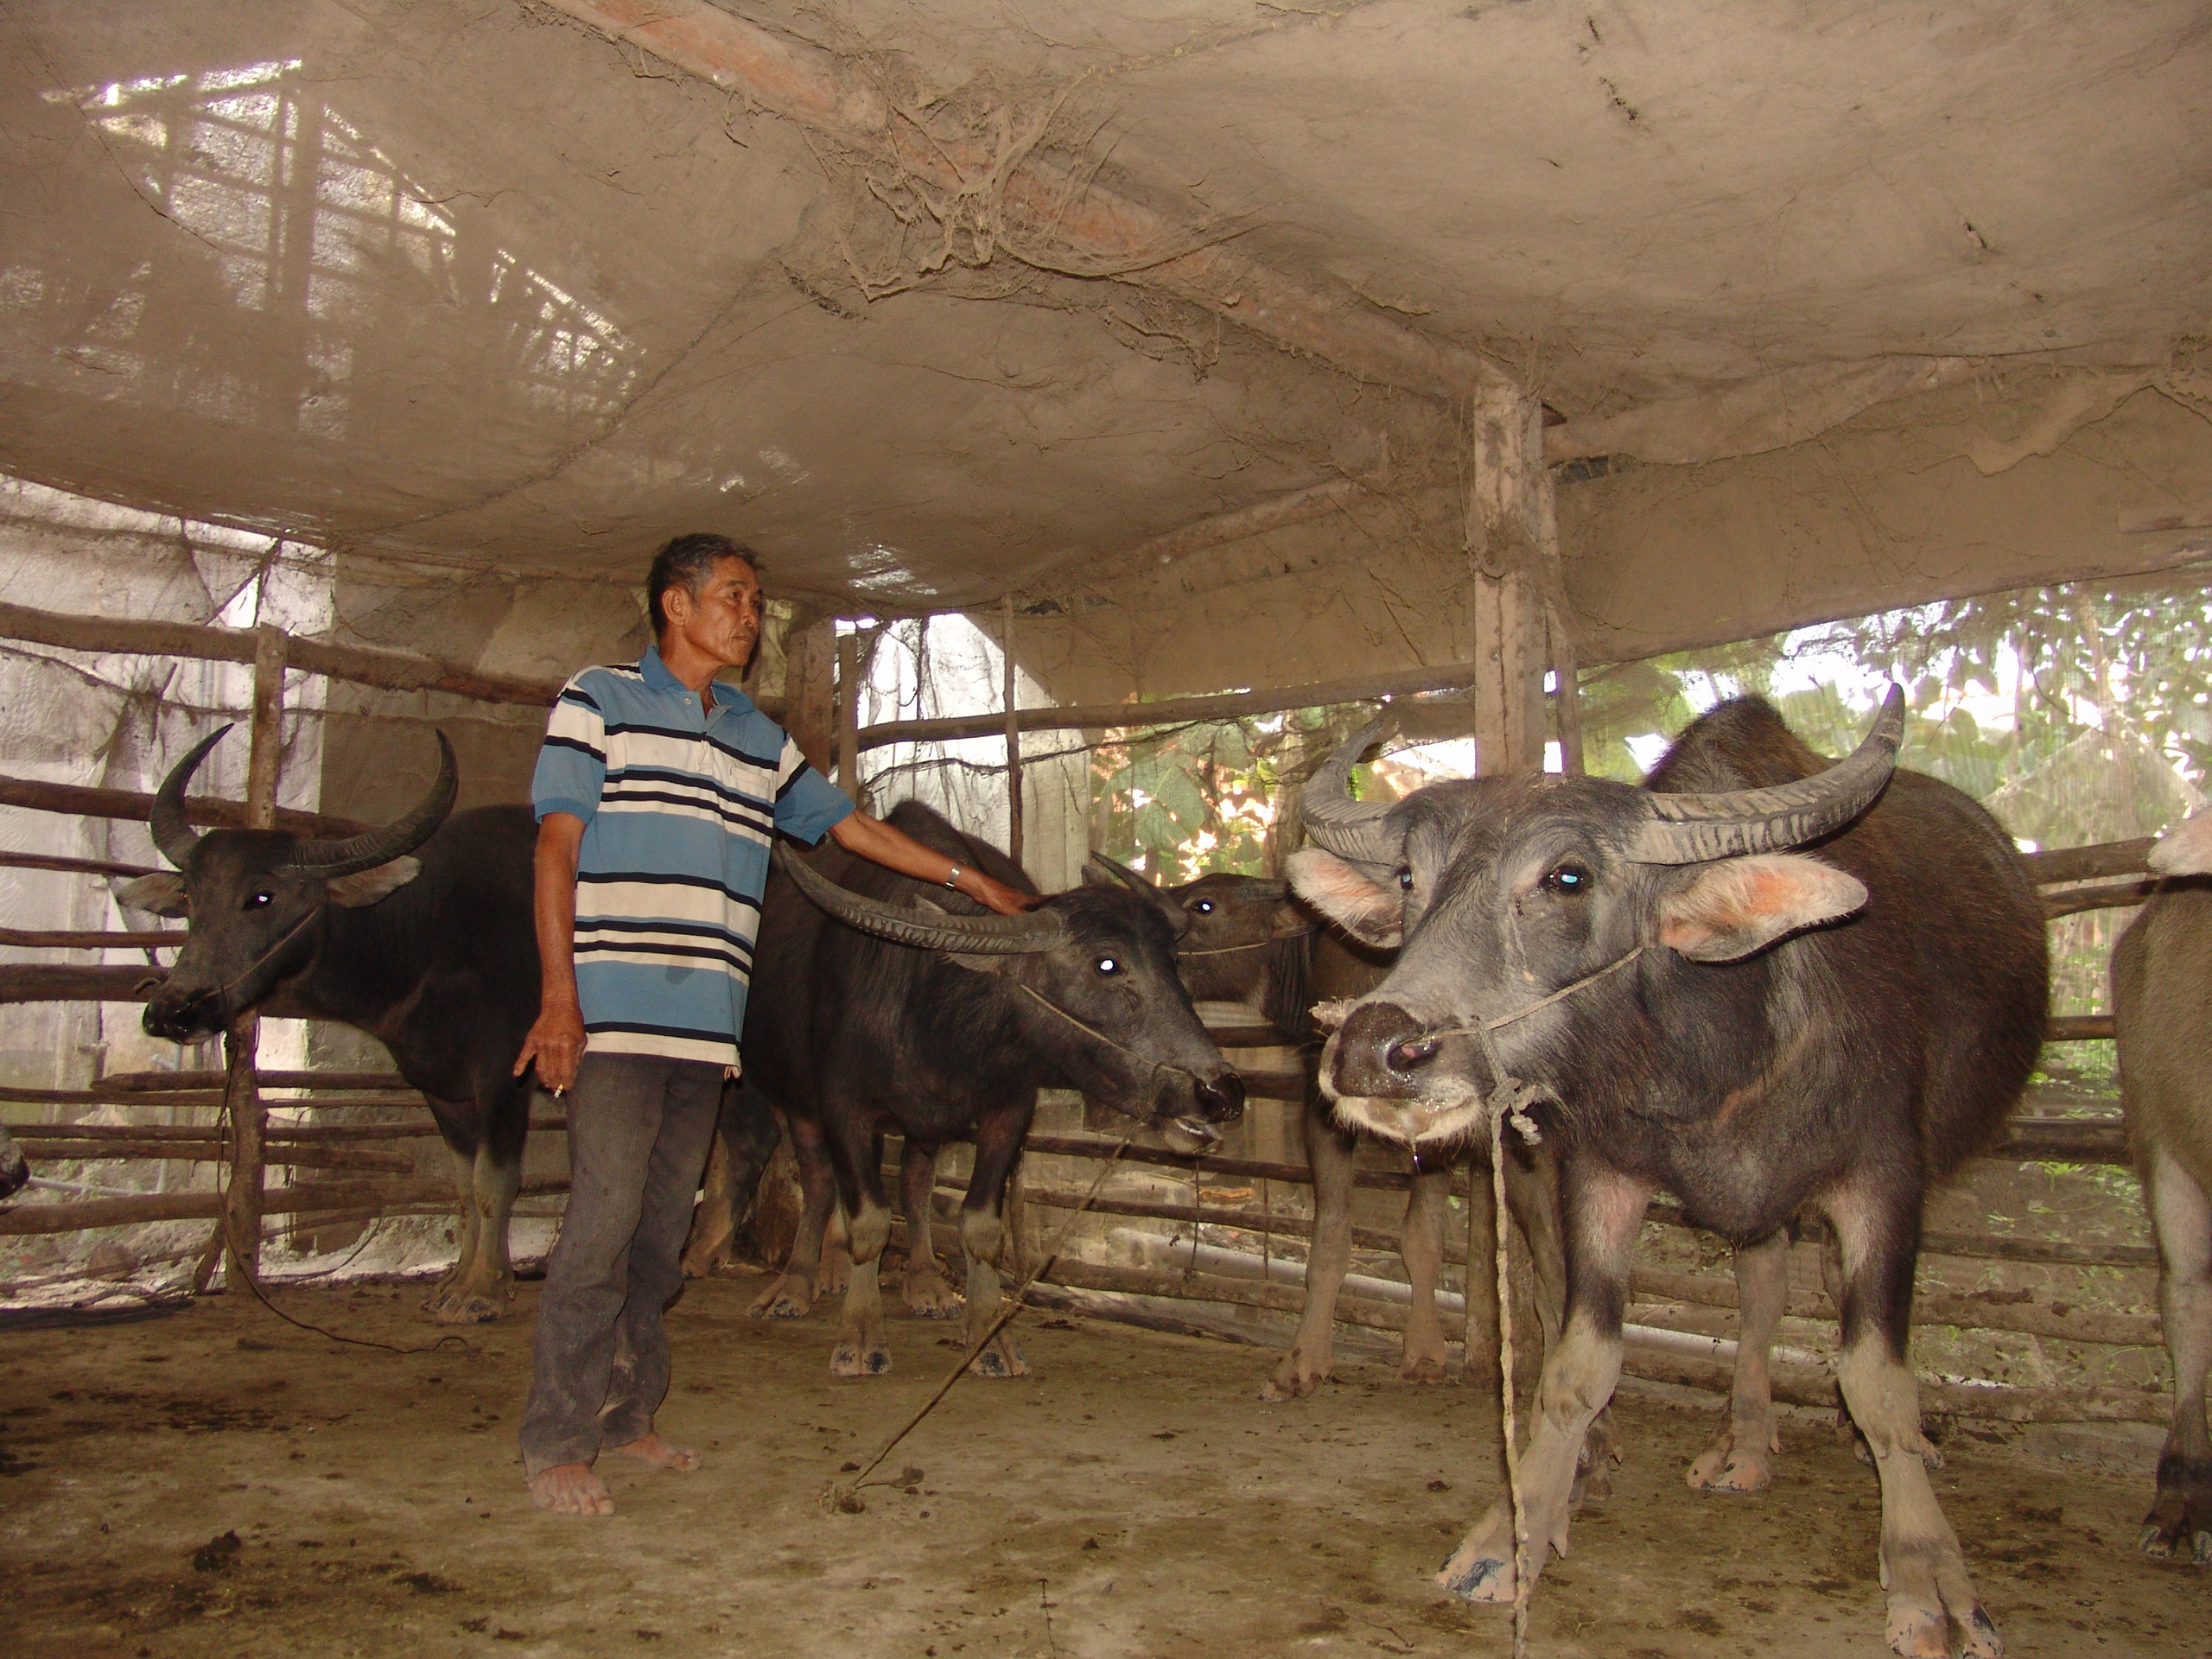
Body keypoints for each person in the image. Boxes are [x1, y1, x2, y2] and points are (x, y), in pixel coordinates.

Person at [514, 531, 1033, 1516]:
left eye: (756, 602)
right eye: (737, 597)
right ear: (677, 604)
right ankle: (555, 1442)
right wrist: (557, 999)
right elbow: (555, 848)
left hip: (710, 1027)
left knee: (661, 1234)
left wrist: (979, 884)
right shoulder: (599, 700)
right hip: (616, 1013)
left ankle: (628, 1420)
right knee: (601, 1228)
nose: (752, 617)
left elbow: (854, 830)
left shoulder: (757, 733)